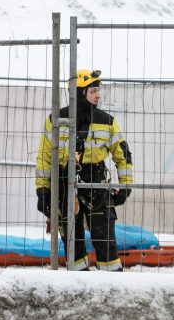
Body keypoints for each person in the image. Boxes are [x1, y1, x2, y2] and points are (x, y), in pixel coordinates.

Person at [35, 69, 134, 272]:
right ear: (79, 93)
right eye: (93, 91)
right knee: (72, 241)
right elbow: (45, 158)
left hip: (96, 183)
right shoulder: (55, 119)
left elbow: (123, 157)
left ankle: (112, 282)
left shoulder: (107, 122)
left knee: (104, 238)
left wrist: (124, 187)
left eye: (98, 90)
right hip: (64, 185)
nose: (98, 95)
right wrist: (43, 190)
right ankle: (78, 279)